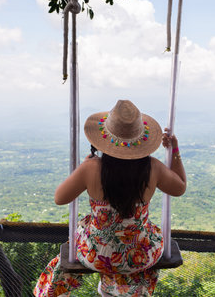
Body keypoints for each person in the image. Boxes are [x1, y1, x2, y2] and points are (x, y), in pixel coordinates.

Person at [34, 100, 186, 296]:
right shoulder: (153, 167)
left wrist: (83, 168)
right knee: (144, 235)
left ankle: (101, 286)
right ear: (141, 140)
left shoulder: (91, 168)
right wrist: (174, 149)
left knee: (84, 229)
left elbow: (59, 198)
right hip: (139, 256)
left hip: (97, 255)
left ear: (104, 140)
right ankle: (116, 290)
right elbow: (180, 187)